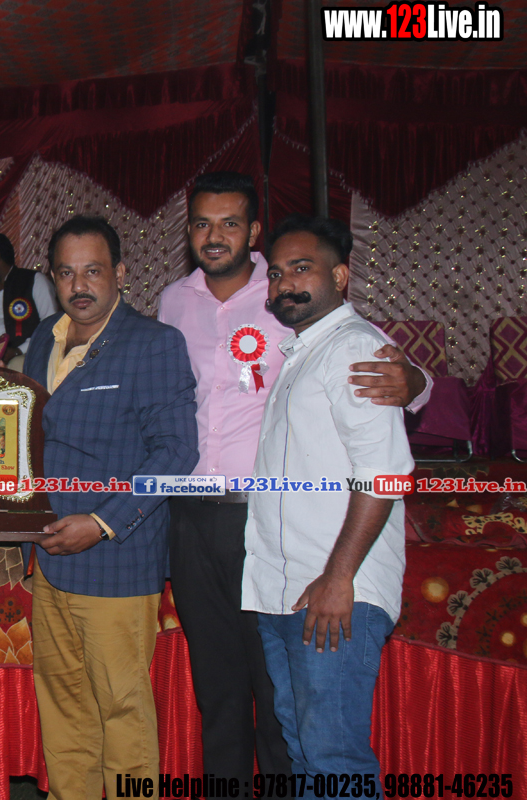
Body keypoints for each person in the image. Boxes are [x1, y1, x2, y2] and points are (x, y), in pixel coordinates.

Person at [156, 172, 431, 784]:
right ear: (188, 232)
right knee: (223, 686)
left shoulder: (297, 300)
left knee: (290, 712)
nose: (215, 235)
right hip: (196, 515)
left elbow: (382, 374)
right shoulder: (174, 302)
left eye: (230, 223)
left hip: (265, 522)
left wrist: (414, 382)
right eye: (202, 223)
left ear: (253, 231)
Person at [22, 215, 198, 796]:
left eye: (93, 271)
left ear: (120, 273)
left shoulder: (153, 343)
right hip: (49, 557)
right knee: (64, 710)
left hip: (117, 560)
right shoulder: (42, 338)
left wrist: (102, 523)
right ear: (52, 277)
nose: (80, 286)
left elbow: (176, 453)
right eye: (66, 273)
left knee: (122, 711)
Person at [243, 215, 413, 777]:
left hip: (336, 592)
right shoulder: (306, 351)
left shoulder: (353, 348)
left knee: (334, 760)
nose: (285, 284)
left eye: (301, 268)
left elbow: (383, 474)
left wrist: (340, 578)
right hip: (288, 590)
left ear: (339, 276)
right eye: (275, 273)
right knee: (306, 752)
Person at [0, 231, 57, 370]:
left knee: (17, 364)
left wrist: (17, 351)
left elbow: (52, 326)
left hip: (25, 354)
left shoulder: (34, 280)